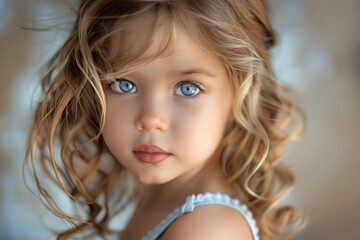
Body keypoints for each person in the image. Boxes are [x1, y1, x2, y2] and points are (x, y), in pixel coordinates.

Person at [26, 0, 304, 239]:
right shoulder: (161, 192)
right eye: (123, 84)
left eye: (188, 88)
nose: (150, 120)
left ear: (242, 95)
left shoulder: (209, 231)